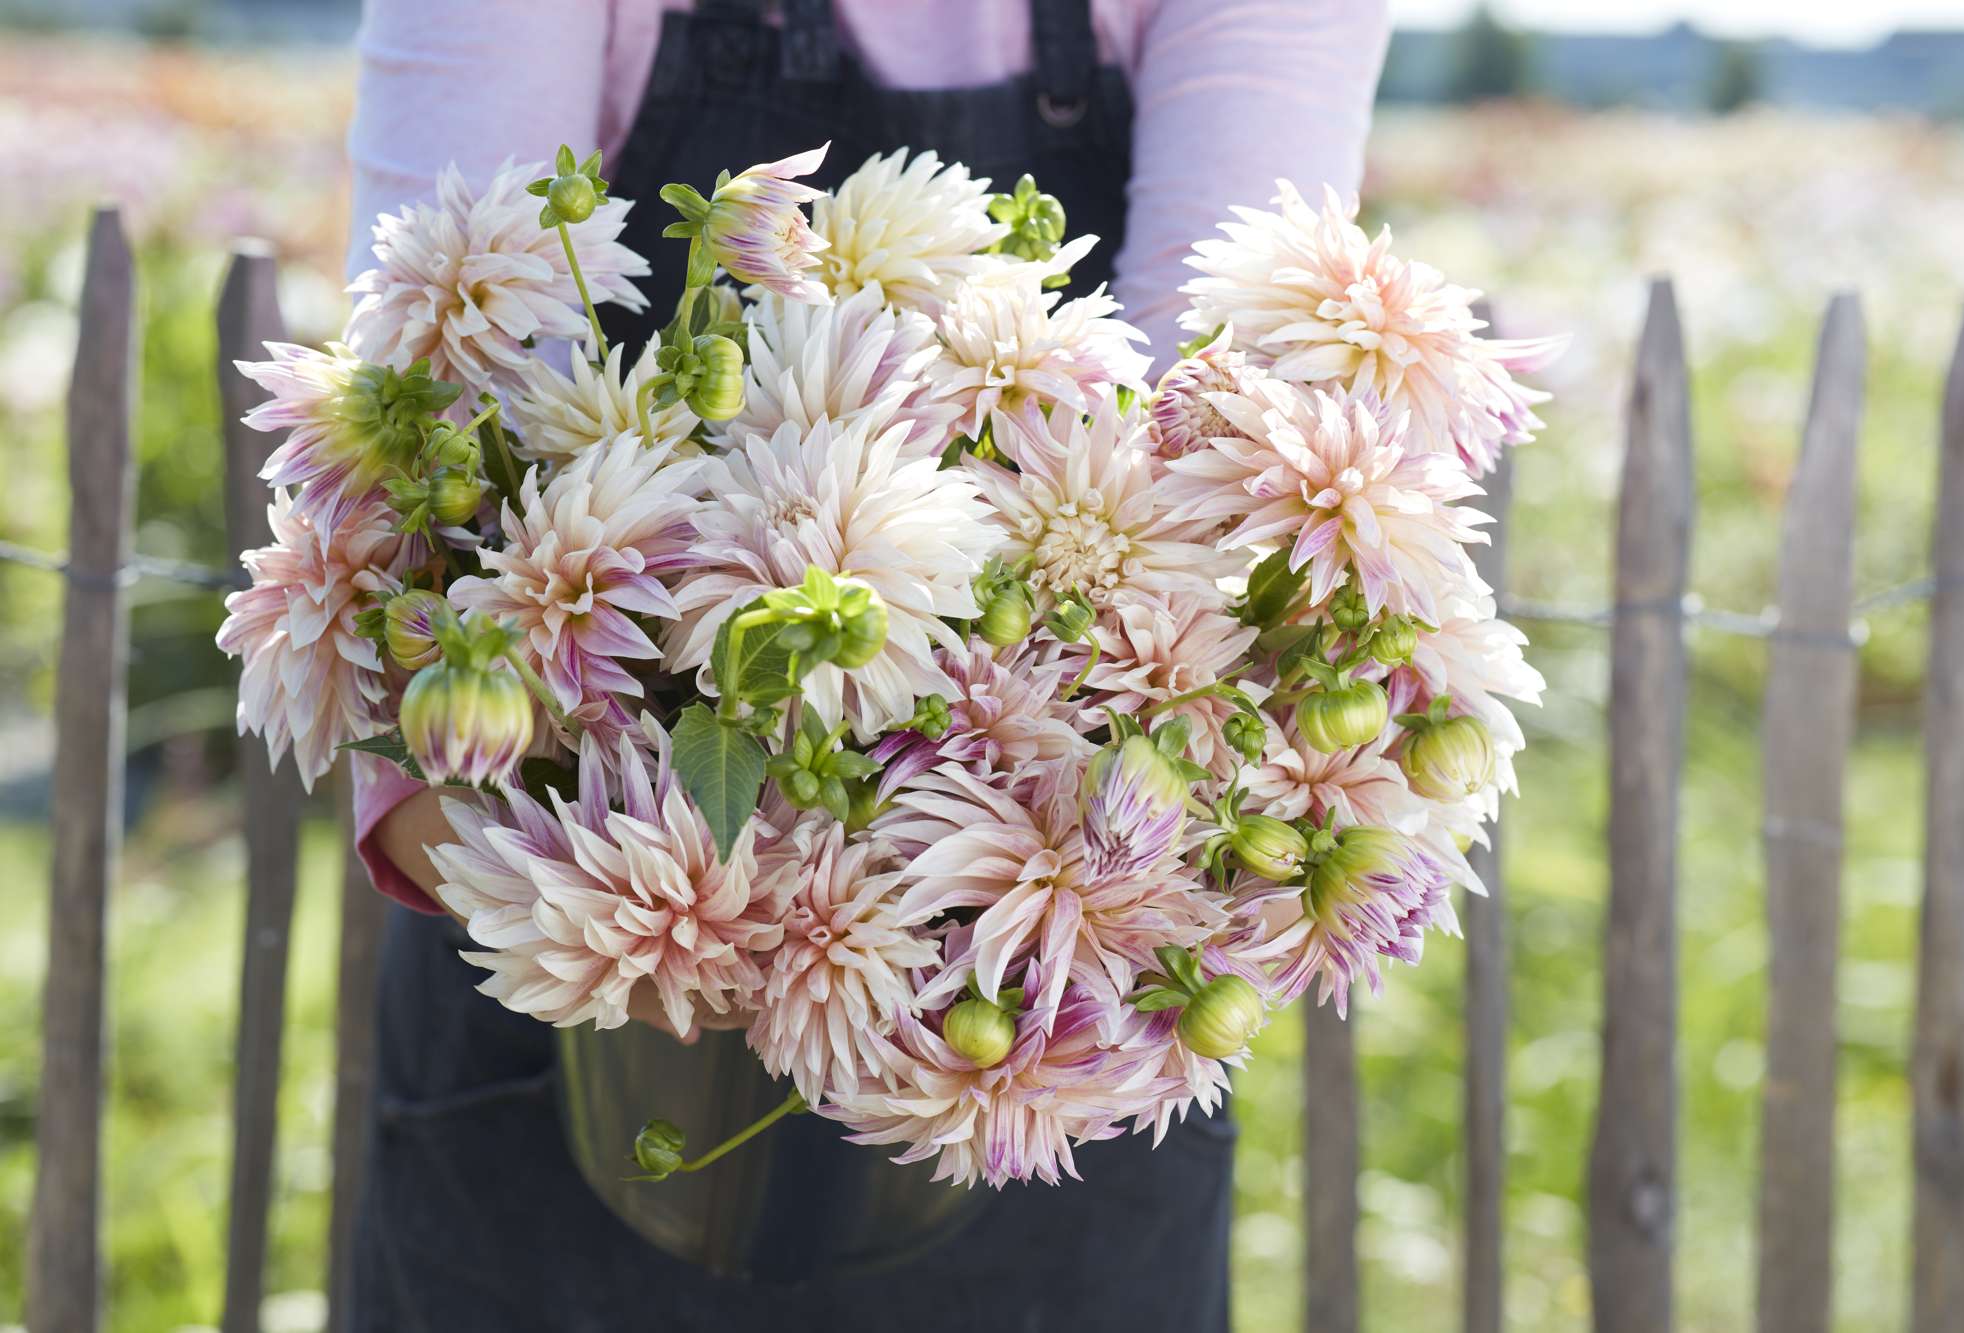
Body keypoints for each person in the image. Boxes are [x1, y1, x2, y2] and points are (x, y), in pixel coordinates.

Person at [340, 1, 1388, 1328]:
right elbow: (435, 421)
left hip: (1044, 1018)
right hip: (581, 963)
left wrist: (977, 910)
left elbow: (1213, 419)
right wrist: (632, 925)